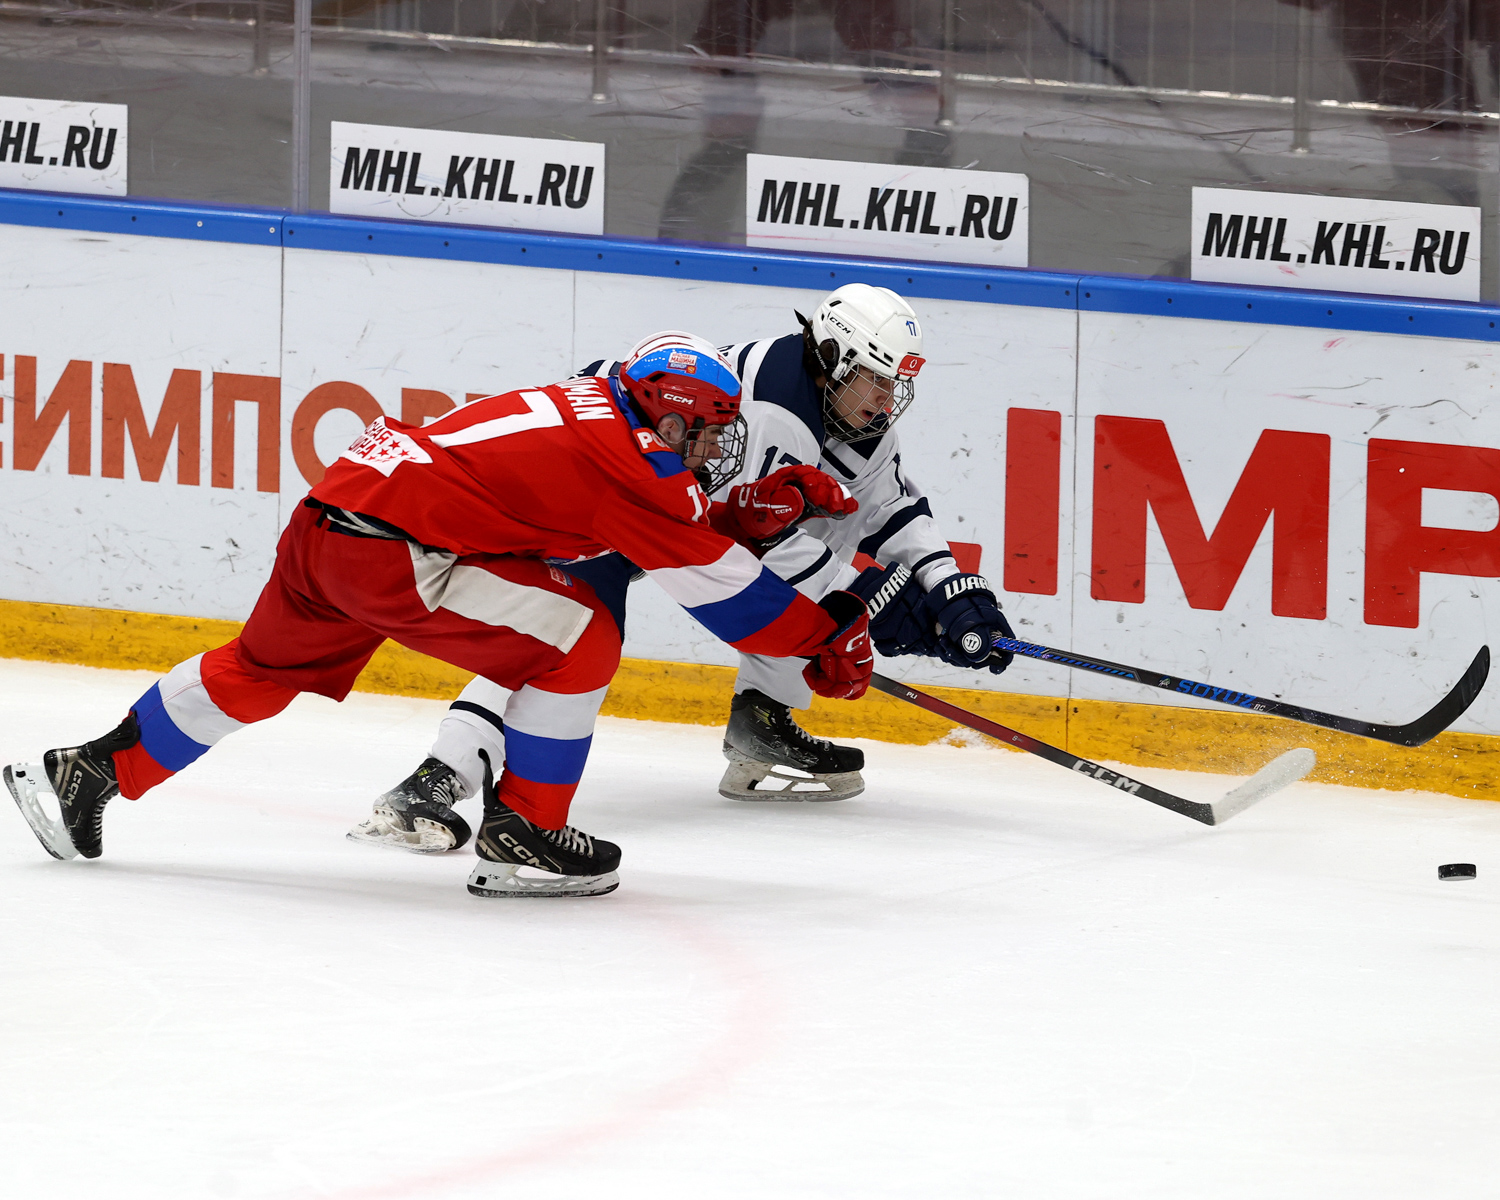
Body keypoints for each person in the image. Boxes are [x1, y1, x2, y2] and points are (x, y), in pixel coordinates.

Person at [3, 332, 875, 899]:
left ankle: (88, 771)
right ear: (671, 415)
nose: (717, 445)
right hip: (398, 551)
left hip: (332, 520)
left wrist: (741, 512)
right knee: (582, 636)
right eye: (711, 428)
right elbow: (720, 588)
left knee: (261, 669)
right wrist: (820, 639)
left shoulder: (599, 410)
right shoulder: (633, 462)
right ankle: (527, 832)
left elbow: (650, 529)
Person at [350, 284, 1016, 854]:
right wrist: (867, 604)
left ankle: (763, 719)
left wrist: (952, 589)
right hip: (602, 497)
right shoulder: (771, 409)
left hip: (669, 504)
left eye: (896, 381)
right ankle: (436, 778)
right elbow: (754, 553)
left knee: (821, 542)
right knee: (562, 635)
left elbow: (889, 511)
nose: (888, 396)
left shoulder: (850, 415)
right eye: (876, 376)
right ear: (835, 358)